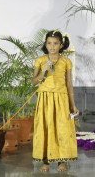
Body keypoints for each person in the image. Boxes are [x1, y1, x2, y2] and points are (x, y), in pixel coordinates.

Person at [31, 30, 79, 172]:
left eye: (55, 43)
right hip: (45, 99)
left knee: (62, 129)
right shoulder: (40, 60)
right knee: (45, 128)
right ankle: (45, 161)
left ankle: (61, 160)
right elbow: (33, 81)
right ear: (45, 44)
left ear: (61, 45)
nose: (52, 46)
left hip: (61, 99)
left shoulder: (66, 61)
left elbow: (69, 84)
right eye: (49, 43)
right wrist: (42, 72)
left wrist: (73, 105)